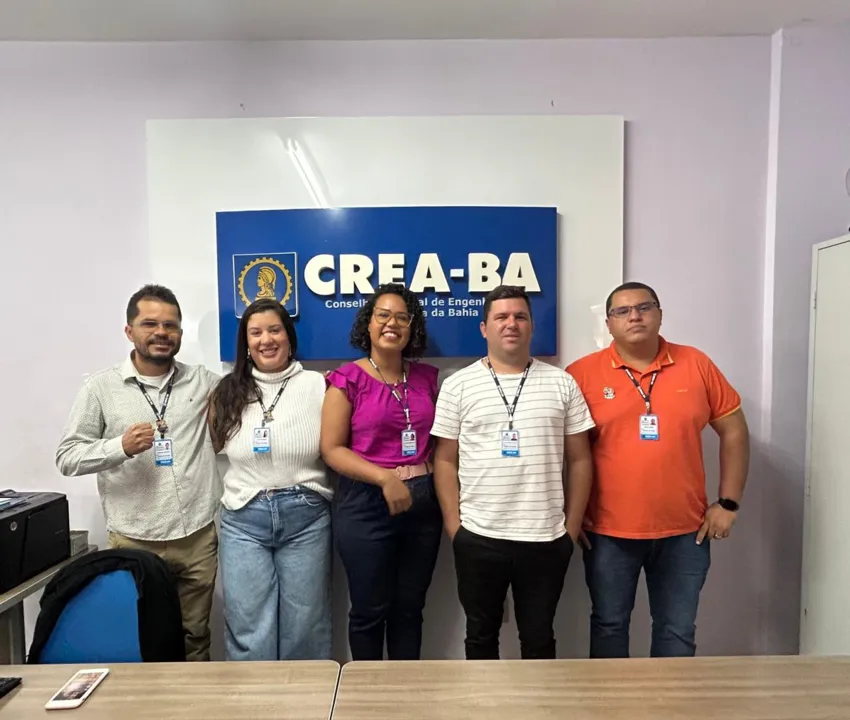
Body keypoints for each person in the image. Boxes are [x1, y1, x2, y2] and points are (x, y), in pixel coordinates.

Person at [566, 281, 750, 658]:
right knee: (609, 625)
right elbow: (564, 452)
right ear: (609, 323)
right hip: (607, 533)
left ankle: (670, 711)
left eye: (644, 307)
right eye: (623, 311)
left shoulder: (696, 364)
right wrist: (572, 516)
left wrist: (728, 503)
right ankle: (611, 712)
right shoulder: (581, 374)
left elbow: (734, 431)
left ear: (660, 315)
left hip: (685, 532)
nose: (635, 316)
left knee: (677, 631)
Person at [56, 284, 219, 661]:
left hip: (195, 536)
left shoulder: (203, 381)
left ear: (180, 333)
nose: (161, 333)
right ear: (129, 331)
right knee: (142, 639)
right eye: (150, 324)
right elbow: (67, 456)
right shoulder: (100, 388)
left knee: (195, 636)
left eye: (170, 325)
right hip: (134, 541)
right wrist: (119, 447)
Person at [431, 285, 594, 659]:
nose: (511, 324)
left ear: (531, 327)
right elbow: (444, 460)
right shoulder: (457, 385)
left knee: (538, 639)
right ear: (484, 328)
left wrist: (570, 529)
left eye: (520, 316)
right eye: (501, 317)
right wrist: (455, 528)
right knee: (480, 637)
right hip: (479, 536)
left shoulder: (561, 383)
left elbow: (581, 460)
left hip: (546, 538)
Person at [321, 283, 441, 661]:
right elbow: (331, 449)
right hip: (365, 503)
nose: (393, 323)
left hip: (422, 504)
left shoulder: (426, 378)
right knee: (370, 611)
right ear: (368, 324)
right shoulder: (346, 380)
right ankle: (367, 700)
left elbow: (440, 441)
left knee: (410, 610)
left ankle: (406, 699)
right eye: (383, 315)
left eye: (402, 317)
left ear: (412, 327)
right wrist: (385, 478)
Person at [209, 299, 332, 661]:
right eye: (256, 332)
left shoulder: (319, 385)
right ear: (245, 342)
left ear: (289, 337)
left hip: (306, 515)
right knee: (249, 627)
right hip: (243, 518)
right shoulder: (227, 390)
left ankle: (306, 707)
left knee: (306, 626)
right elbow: (215, 443)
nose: (266, 339)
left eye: (274, 330)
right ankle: (254, 708)